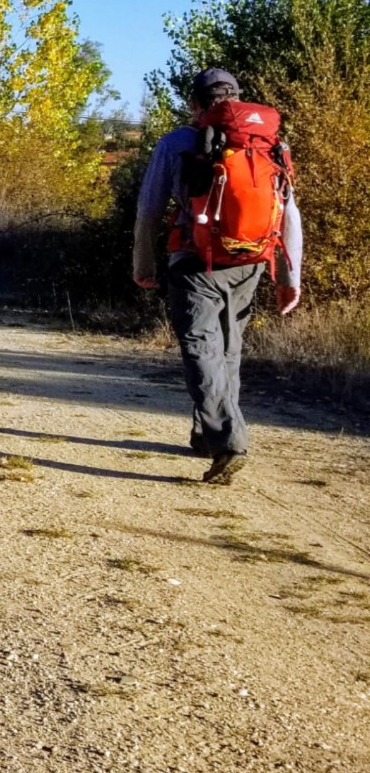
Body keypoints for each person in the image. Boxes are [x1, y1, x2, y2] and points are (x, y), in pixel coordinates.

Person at [132, 68, 302, 485]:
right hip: (252, 260)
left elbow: (149, 210)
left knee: (201, 348)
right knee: (227, 348)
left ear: (194, 104)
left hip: (193, 261)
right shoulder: (268, 144)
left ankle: (227, 441)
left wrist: (144, 264)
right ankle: (207, 434)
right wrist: (288, 277)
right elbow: (289, 213)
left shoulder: (176, 143)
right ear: (237, 99)